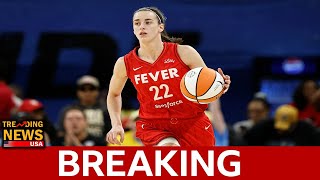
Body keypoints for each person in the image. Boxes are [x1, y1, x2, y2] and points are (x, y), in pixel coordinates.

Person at [106, 7, 231, 146]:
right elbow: (114, 94)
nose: (142, 26)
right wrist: (116, 124)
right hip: (154, 125)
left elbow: (206, 84)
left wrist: (219, 87)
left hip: (192, 122)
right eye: (137, 23)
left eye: (148, 22)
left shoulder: (184, 52)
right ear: (133, 29)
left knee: (198, 166)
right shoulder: (124, 63)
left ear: (160, 27)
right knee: (169, 150)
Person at [57, 75, 112, 139]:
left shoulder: (107, 109)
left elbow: (112, 132)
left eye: (92, 89)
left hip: (101, 145)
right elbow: (60, 132)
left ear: (98, 91)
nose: (87, 92)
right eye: (83, 89)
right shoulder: (69, 110)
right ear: (77, 92)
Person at [244, 104, 320, 146]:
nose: (281, 130)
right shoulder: (263, 128)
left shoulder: (307, 131)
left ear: (295, 124)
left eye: (286, 128)